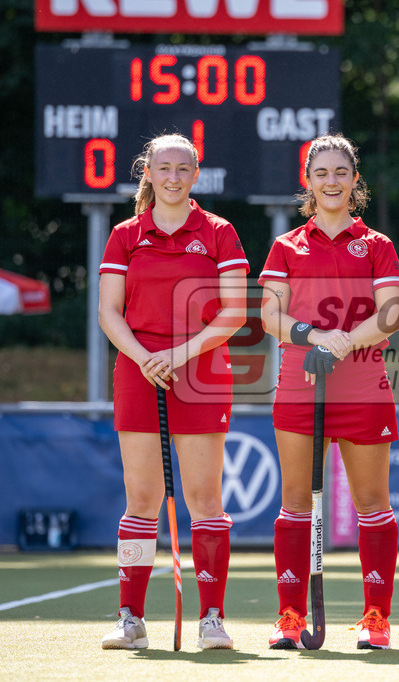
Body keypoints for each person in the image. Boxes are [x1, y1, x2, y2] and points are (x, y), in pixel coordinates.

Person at [98, 133, 249, 650]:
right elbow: (109, 313)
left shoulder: (219, 233)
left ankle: (212, 618)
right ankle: (130, 617)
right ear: (149, 173)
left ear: (195, 175)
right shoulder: (125, 234)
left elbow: (233, 312)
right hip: (138, 373)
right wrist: (144, 359)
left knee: (205, 500)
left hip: (200, 373)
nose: (173, 178)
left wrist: (178, 355)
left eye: (183, 169)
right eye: (163, 168)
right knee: (141, 501)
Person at [259, 135, 399, 650]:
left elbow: (391, 314)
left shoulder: (378, 245)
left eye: (341, 171)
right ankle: (291, 617)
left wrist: (341, 344)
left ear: (354, 179)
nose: (331, 180)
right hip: (300, 387)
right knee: (296, 504)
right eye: (321, 172)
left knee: (372, 504)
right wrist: (312, 336)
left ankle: (376, 619)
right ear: (308, 179)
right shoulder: (286, 246)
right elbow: (270, 315)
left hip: (363, 386)